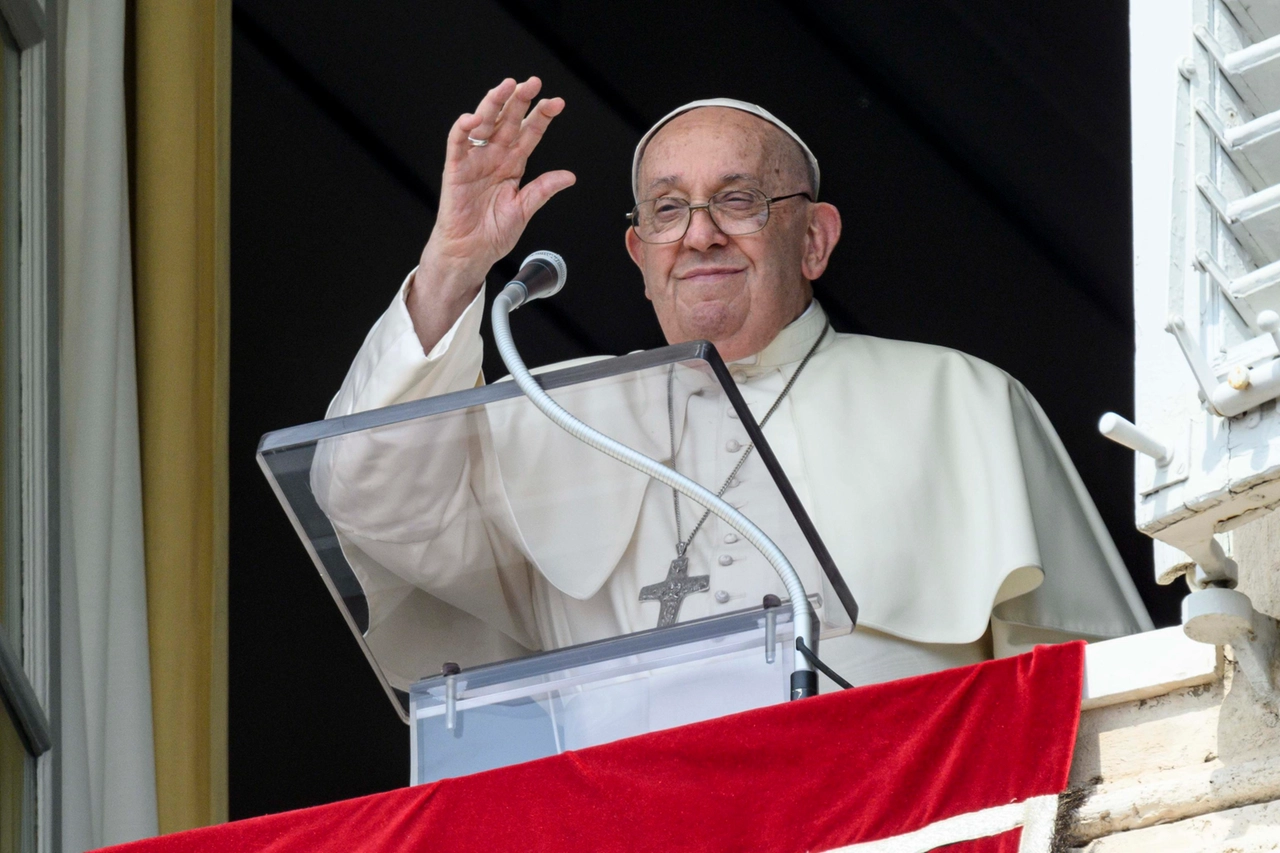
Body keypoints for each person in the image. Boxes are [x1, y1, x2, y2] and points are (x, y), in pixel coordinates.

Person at [318, 77, 1152, 691]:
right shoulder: (552, 410)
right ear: (640, 256)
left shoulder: (960, 400)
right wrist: (455, 265)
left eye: (739, 200)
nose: (701, 234)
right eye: (668, 209)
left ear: (815, 240)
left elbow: (1094, 690)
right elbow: (366, 497)